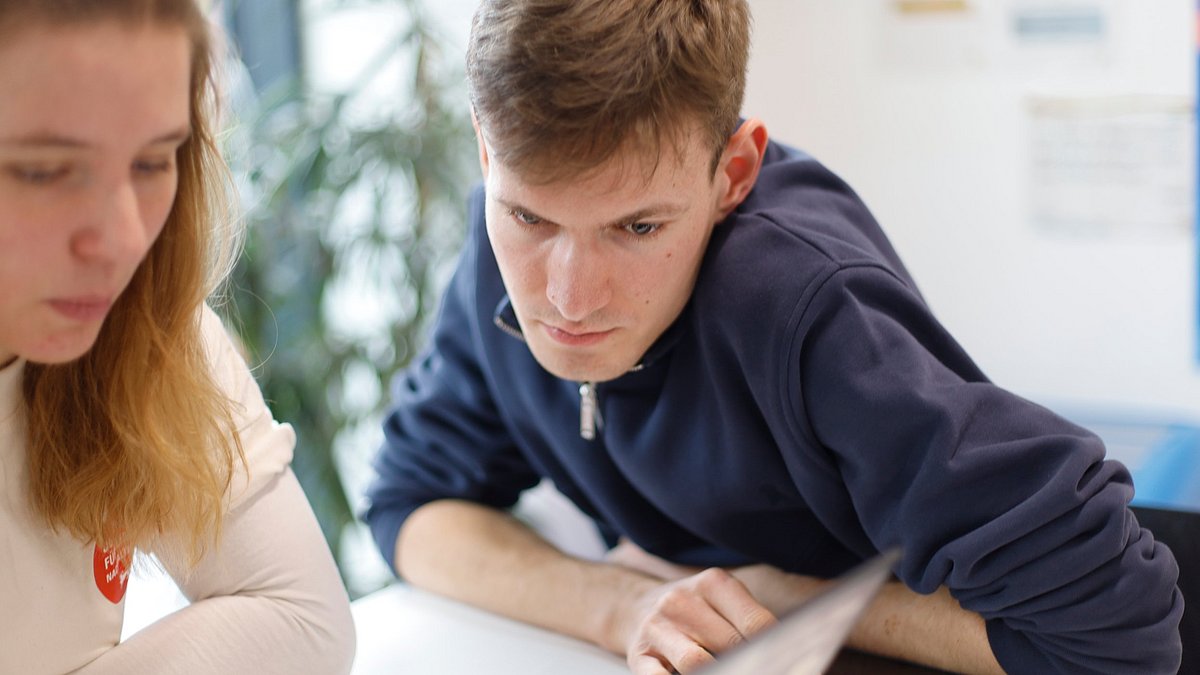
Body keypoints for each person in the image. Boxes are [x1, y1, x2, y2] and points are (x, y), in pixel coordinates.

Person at [363, 1, 1183, 673]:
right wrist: (622, 604)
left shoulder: (803, 301)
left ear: (734, 173)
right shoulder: (492, 245)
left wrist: (792, 594)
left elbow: (1119, 628)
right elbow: (411, 506)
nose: (568, 298)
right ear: (485, 151)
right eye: (530, 215)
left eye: (639, 226)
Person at [0, 1, 355, 673]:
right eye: (46, 170)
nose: (125, 239)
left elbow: (305, 621)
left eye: (152, 162)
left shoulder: (139, 324)